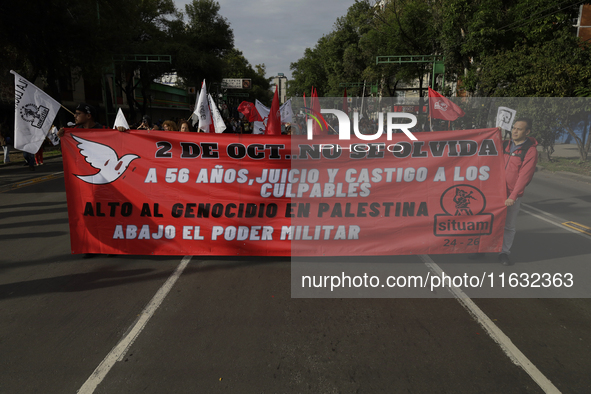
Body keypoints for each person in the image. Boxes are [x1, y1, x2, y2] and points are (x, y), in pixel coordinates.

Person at [470, 118, 538, 265]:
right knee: (488, 220)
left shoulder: (530, 151)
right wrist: (495, 134)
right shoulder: (505, 144)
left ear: (527, 132)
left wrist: (513, 196)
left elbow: (524, 176)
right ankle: (482, 248)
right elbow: (487, 153)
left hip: (511, 195)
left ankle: (504, 253)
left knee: (508, 225)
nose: (515, 131)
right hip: (494, 191)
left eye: (519, 129)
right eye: (514, 128)